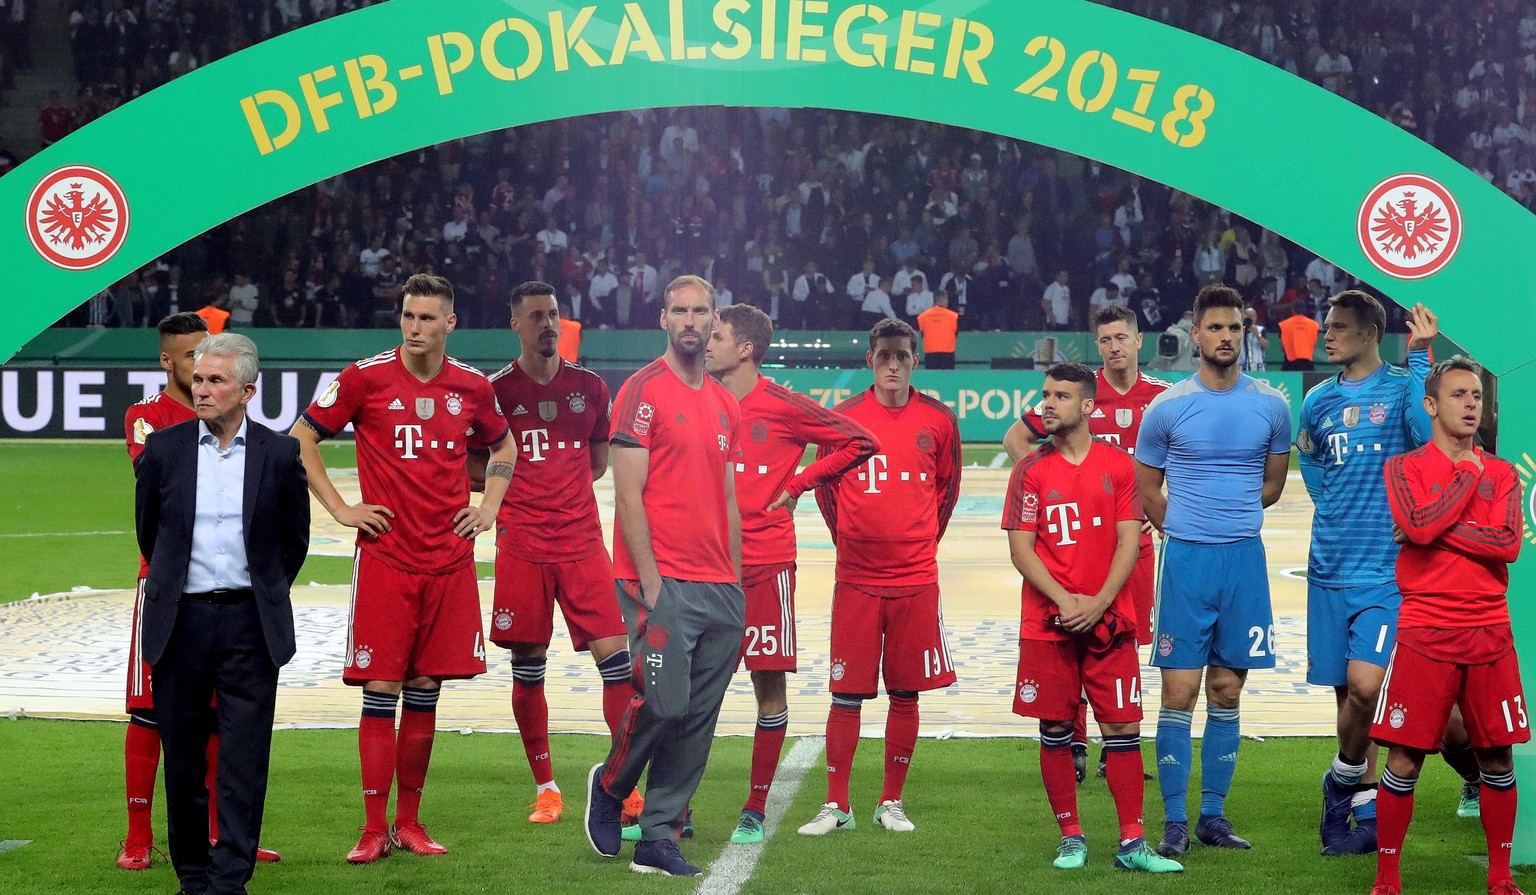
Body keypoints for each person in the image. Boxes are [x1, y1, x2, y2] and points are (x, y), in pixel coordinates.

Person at [290, 274, 517, 864]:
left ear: (450, 324)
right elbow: (301, 438)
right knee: (379, 689)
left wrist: (487, 507)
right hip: (387, 557)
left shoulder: (470, 387)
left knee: (424, 690)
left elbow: (505, 447)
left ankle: (410, 823)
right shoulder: (364, 378)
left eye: (426, 318)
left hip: (447, 558)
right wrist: (342, 508)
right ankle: (372, 828)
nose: (415, 328)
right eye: (408, 317)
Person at [134, 333, 309, 895]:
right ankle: (192, 877)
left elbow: (292, 543)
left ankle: (231, 880)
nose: (201, 389)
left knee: (243, 762)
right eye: (199, 379)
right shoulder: (163, 449)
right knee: (183, 761)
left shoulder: (280, 454)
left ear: (246, 392)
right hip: (179, 623)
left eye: (216, 381)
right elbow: (150, 531)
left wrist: (259, 593)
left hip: (249, 624)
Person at [583, 276, 745, 877]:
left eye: (700, 310)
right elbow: (628, 497)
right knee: (666, 703)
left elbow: (729, 499)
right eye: (679, 310)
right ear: (663, 319)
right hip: (662, 581)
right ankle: (611, 783)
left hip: (719, 585)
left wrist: (737, 580)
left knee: (698, 718)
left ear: (713, 320)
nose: (689, 320)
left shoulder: (726, 402)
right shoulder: (641, 391)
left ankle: (658, 835)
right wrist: (650, 584)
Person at [704, 303, 878, 845]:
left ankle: (755, 809)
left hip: (765, 565)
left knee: (767, 685)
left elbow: (860, 441)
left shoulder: (782, 404)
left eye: (717, 336)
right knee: (691, 693)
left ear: (746, 349)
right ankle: (676, 806)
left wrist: (801, 483)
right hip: (704, 566)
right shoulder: (698, 399)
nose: (706, 343)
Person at [1004, 362, 1182, 875]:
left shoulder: (1121, 466)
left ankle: (1133, 843)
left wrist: (1099, 602)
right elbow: (1021, 549)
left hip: (1110, 620)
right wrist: (1064, 600)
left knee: (1123, 726)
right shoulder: (1029, 471)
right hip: (1048, 623)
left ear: (1087, 407)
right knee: (1057, 724)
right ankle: (1070, 836)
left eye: (1060, 396)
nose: (1048, 404)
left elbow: (1132, 539)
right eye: (1044, 395)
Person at [1136, 285, 1291, 856]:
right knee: (1179, 690)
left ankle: (1212, 818)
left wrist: (1232, 514)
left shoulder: (1271, 405)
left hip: (1243, 559)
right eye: (1216, 328)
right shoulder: (1168, 406)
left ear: (1244, 334)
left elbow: (1273, 483)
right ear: (1196, 333)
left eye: (1235, 328)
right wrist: (1185, 529)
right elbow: (1147, 487)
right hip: (1188, 559)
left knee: (1228, 689)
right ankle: (1174, 822)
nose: (1226, 337)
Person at [471, 282, 635, 825]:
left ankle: (625, 784)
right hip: (522, 545)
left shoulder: (589, 387)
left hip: (583, 542)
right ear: (515, 324)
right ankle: (547, 787)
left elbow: (596, 460)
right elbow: (473, 466)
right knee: (528, 667)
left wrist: (559, 493)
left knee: (618, 662)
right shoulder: (493, 392)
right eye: (536, 316)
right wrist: (513, 489)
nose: (547, 324)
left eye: (554, 314)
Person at [797, 317, 961, 837]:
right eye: (884, 355)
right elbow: (825, 489)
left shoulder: (939, 420)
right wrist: (850, 538)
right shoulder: (842, 419)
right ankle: (836, 804)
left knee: (905, 694)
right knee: (845, 692)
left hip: (915, 578)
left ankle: (891, 801)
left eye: (902, 356)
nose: (893, 364)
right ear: (869, 360)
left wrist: (916, 543)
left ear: (916, 360)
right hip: (857, 578)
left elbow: (947, 491)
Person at [1373, 356, 1527, 895]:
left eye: (1477, 397)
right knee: (1405, 757)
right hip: (1426, 631)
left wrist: (1432, 528)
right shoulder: (1403, 467)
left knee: (1497, 757)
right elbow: (1416, 525)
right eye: (1459, 395)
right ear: (1432, 405)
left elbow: (1506, 545)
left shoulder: (1506, 473)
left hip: (1490, 633)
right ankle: (1388, 880)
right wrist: (1462, 479)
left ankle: (1500, 876)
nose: (1470, 405)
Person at [1297, 294, 1438, 856]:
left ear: (1372, 332)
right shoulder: (1318, 401)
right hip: (1328, 565)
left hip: (1383, 571)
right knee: (1347, 702)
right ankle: (1359, 812)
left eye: (1339, 328)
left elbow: (1429, 443)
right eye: (1327, 328)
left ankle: (1337, 784)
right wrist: (1328, 501)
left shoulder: (1404, 385)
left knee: (1367, 686)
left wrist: (1423, 357)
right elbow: (1309, 459)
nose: (1328, 337)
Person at [1005, 305, 1170, 778]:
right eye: (1105, 340)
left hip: (1130, 543)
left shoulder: (1161, 397)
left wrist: (1151, 509)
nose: (1114, 347)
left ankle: (1115, 741)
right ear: (1097, 346)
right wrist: (1052, 479)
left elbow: (1181, 459)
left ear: (1140, 341)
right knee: (1069, 630)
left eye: (1122, 338)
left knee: (1124, 636)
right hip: (1081, 539)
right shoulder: (1075, 392)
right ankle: (1074, 740)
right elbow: (1015, 438)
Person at [916, 291, 960, 369]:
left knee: (931, 379)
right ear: (944, 300)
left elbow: (922, 333)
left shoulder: (922, 317)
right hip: (948, 354)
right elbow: (956, 333)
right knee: (948, 379)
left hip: (930, 354)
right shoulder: (954, 316)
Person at [1281, 299, 1321, 370]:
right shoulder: (1314, 325)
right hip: (1307, 363)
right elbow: (1314, 342)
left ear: (1293, 310)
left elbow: (1283, 346)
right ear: (1304, 310)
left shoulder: (1283, 325)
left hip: (1289, 363)